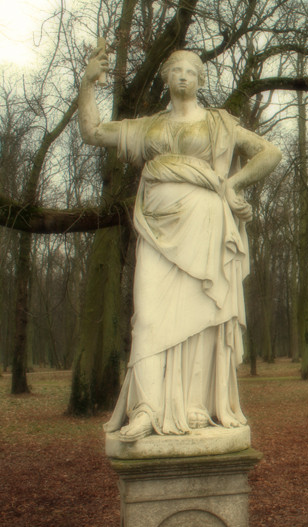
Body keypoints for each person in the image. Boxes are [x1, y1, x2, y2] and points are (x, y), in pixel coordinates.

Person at [79, 47, 282, 442]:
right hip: (156, 228)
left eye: (192, 71)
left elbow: (269, 152)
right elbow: (93, 132)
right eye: (177, 71)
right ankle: (146, 409)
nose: (184, 76)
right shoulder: (148, 127)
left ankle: (196, 406)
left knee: (203, 316)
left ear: (201, 80)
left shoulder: (218, 124)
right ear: (166, 79)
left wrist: (233, 184)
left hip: (204, 226)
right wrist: (88, 83)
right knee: (149, 318)